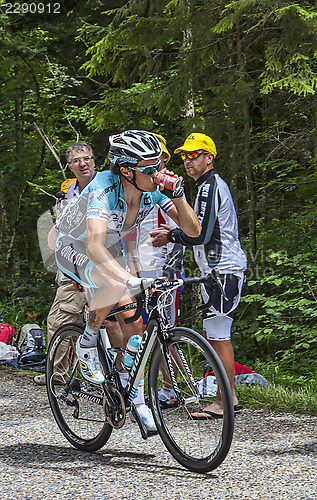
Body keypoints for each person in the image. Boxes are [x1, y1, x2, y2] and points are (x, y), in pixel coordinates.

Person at [54, 129, 201, 430]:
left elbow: (194, 231)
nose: (159, 173)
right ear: (125, 170)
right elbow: (93, 247)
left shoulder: (154, 187)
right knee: (115, 284)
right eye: (151, 168)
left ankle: (132, 394)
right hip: (72, 245)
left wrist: (179, 195)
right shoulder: (102, 189)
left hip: (107, 245)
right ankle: (86, 342)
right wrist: (128, 278)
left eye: (159, 164)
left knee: (135, 324)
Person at [150, 132, 247, 418]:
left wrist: (171, 236)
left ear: (209, 158)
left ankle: (225, 401)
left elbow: (201, 233)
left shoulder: (210, 186)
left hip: (223, 270)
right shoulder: (205, 186)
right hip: (216, 271)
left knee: (219, 336)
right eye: (184, 155)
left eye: (194, 155)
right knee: (214, 334)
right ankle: (226, 397)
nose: (187, 161)